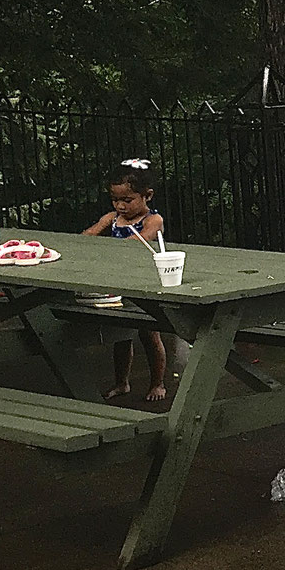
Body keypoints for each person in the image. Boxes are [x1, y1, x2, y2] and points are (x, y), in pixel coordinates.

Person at [81, 158, 167, 403]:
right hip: (121, 284)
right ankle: (122, 382)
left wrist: (107, 248)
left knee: (150, 335)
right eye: (115, 199)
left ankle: (158, 382)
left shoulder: (153, 221)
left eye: (127, 200)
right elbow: (87, 236)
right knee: (121, 334)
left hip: (146, 284)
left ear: (147, 196)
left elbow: (136, 245)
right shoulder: (112, 218)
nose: (120, 205)